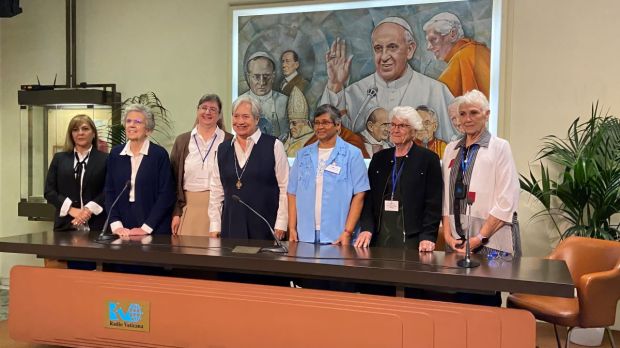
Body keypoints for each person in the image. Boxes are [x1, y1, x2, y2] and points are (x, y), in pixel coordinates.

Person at [319, 16, 456, 142]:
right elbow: (328, 136)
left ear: (410, 49)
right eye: (378, 49)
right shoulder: (356, 91)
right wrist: (335, 85)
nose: (384, 57)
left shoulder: (436, 91)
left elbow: (453, 143)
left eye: (392, 47)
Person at [441, 89, 519, 306]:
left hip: (490, 239)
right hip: (457, 238)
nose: (467, 119)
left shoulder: (499, 147)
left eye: (474, 113)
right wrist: (447, 234)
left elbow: (507, 199)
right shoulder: (451, 149)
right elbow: (445, 196)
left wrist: (480, 238)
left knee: (485, 297)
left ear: (487, 114)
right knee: (459, 298)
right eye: (463, 113)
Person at [357, 106, 442, 251]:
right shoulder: (379, 158)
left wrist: (428, 235)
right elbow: (369, 199)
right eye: (393, 125)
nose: (395, 130)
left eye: (402, 126)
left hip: (412, 237)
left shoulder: (428, 159)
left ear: (414, 130)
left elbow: (433, 202)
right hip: (379, 234)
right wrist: (366, 228)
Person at [209, 95, 289, 240]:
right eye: (236, 116)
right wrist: (215, 225)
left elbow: (285, 187)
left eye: (245, 116)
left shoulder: (274, 146)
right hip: (231, 224)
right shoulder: (223, 149)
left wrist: (282, 223)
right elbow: (216, 191)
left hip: (265, 224)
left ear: (257, 119)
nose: (240, 121)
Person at [288, 104, 369, 245]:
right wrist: (292, 228)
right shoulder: (302, 155)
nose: (320, 127)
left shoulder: (353, 154)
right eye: (317, 123)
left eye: (325, 122)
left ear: (338, 125)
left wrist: (347, 232)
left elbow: (360, 194)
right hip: (305, 235)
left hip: (338, 236)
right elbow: (292, 193)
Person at [44, 114, 107, 270]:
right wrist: (72, 210)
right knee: (66, 275)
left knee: (89, 271)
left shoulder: (105, 159)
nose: (80, 133)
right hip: (66, 226)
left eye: (85, 129)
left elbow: (109, 190)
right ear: (71, 134)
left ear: (93, 133)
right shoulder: (60, 158)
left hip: (95, 225)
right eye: (75, 129)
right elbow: (49, 191)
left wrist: (87, 210)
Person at [105, 104, 176, 237]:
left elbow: (166, 195)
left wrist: (146, 228)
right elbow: (109, 192)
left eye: (137, 122)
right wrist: (116, 225)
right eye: (128, 121)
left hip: (154, 225)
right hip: (122, 226)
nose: (132, 125)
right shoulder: (115, 154)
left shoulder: (159, 155)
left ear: (148, 130)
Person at [170, 94, 233, 236]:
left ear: (219, 114)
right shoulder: (182, 141)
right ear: (197, 110)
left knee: (217, 255)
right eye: (203, 108)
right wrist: (175, 213)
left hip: (220, 209)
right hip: (188, 208)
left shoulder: (230, 141)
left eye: (212, 109)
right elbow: (173, 181)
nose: (207, 112)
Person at [423, 12, 491, 99]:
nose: (428, 47)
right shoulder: (480, 50)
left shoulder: (461, 58)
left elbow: (439, 101)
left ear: (453, 34)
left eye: (433, 39)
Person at [241, 51, 288, 139]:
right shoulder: (240, 102)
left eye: (266, 76)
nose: (262, 82)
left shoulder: (285, 101)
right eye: (256, 77)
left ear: (273, 76)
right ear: (248, 77)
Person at [283, 87, 314, 157]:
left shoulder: (314, 140)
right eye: (290, 123)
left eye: (294, 123)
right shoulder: (289, 141)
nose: (291, 127)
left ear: (305, 123)